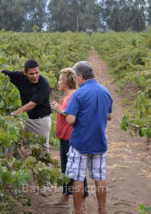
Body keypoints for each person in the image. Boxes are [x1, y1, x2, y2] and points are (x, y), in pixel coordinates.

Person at [64, 61, 113, 214]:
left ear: (80, 76)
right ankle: (102, 210)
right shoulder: (105, 91)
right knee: (99, 178)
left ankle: (78, 211)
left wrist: (66, 114)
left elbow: (71, 120)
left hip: (80, 143)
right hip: (99, 142)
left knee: (78, 178)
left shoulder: (78, 94)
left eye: (75, 77)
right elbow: (110, 116)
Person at [51, 68, 88, 208]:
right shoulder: (66, 96)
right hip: (64, 137)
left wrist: (61, 111)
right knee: (66, 168)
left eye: (60, 80)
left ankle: (82, 199)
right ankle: (65, 196)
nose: (58, 82)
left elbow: (75, 116)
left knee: (76, 169)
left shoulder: (74, 96)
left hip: (71, 138)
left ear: (66, 83)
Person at [0, 59, 52, 153]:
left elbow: (31, 105)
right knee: (11, 141)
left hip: (40, 121)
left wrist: (13, 114)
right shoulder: (20, 77)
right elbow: (3, 73)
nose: (35, 76)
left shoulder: (43, 83)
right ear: (25, 72)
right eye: (31, 74)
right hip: (25, 119)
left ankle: (45, 166)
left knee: (42, 150)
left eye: (37, 72)